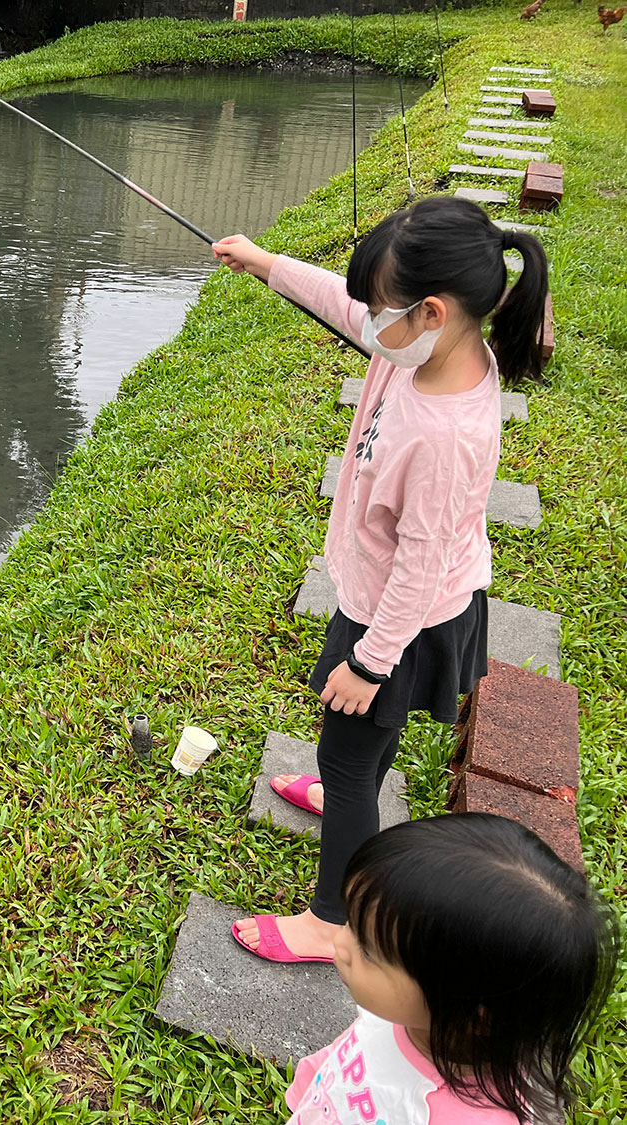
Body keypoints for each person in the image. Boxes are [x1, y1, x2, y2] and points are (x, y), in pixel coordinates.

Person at [211, 196, 549, 962]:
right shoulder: (435, 346)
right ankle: (350, 798)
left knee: (345, 748)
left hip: (399, 618)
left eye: (380, 310)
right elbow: (345, 302)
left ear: (430, 311)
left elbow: (420, 565)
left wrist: (369, 661)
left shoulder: (442, 434)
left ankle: (333, 920)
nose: (365, 321)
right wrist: (264, 262)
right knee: (364, 749)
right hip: (416, 606)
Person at [285, 814, 618, 1124]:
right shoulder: (407, 1016)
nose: (340, 945)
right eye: (350, 922)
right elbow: (347, 1055)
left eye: (369, 951)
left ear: (475, 1016)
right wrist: (305, 1088)